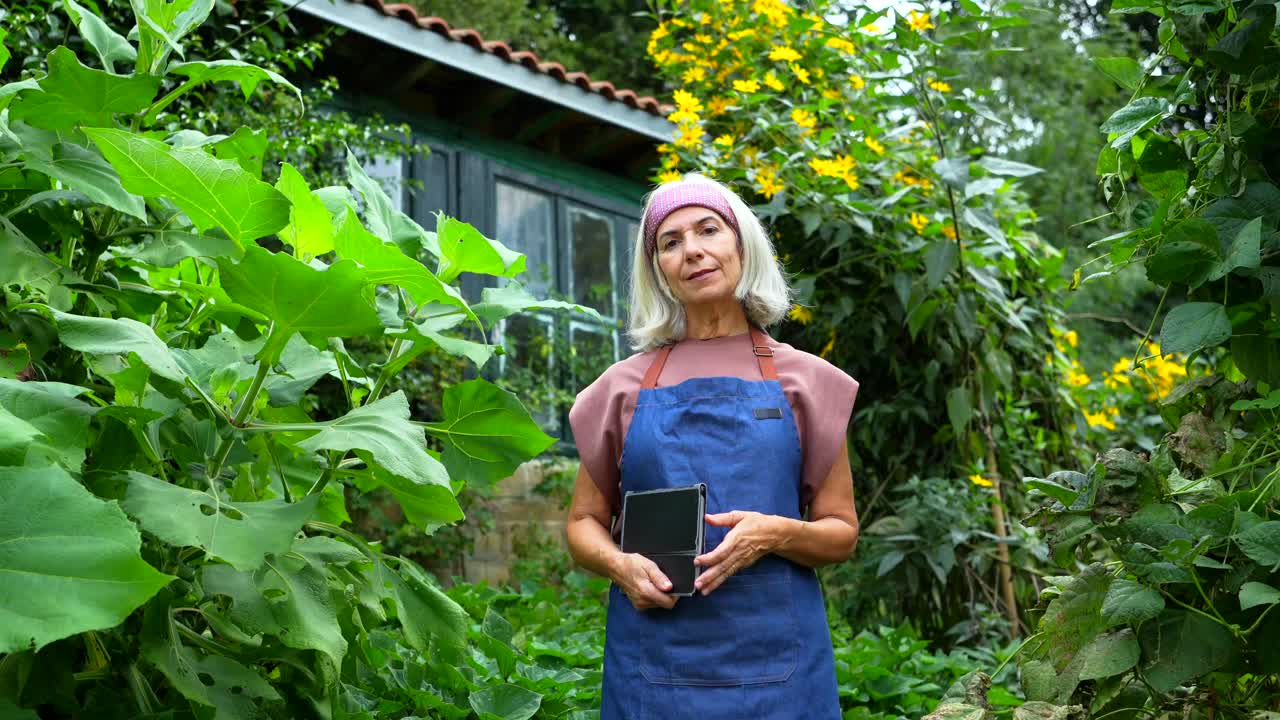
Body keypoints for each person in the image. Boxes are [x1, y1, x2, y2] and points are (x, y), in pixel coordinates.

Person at [565, 173, 861, 719]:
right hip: (654, 671)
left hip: (780, 676)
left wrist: (776, 533)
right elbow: (583, 522)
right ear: (659, 271)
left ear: (741, 244)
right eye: (670, 242)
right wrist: (619, 565)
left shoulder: (806, 381)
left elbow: (840, 533)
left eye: (708, 230)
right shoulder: (622, 388)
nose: (693, 251)